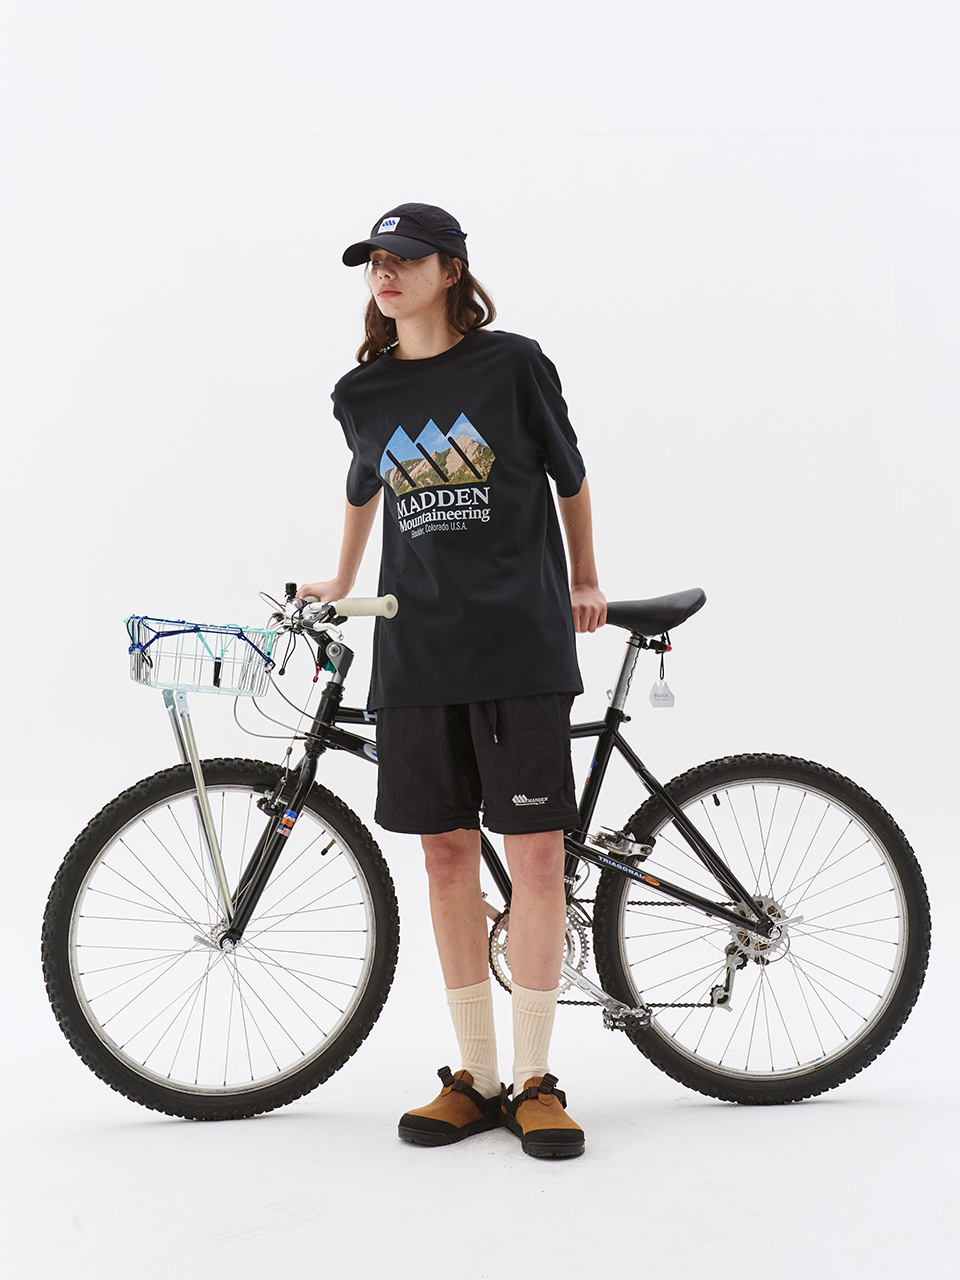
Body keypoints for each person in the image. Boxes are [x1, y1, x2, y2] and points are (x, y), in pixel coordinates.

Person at [299, 202, 606, 1159]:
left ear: (450, 270)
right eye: (374, 263)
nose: (385, 274)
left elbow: (569, 474)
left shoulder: (512, 365)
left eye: (403, 259)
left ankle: (536, 1080)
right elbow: (364, 483)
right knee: (443, 856)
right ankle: (476, 1078)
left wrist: (585, 579)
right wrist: (341, 578)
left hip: (518, 644)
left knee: (538, 858)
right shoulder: (363, 392)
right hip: (417, 651)